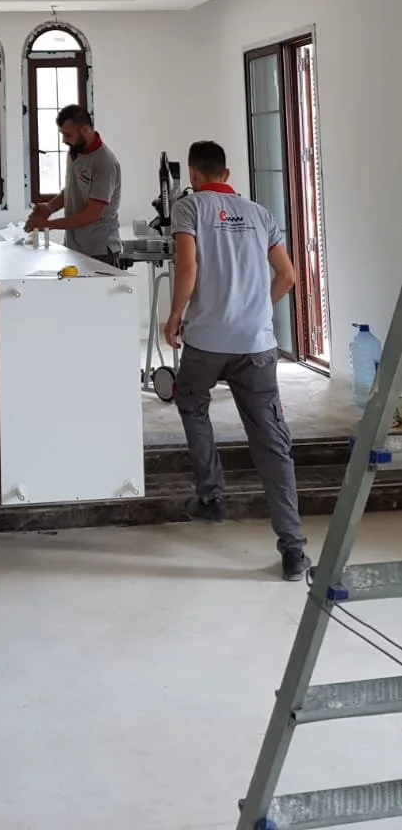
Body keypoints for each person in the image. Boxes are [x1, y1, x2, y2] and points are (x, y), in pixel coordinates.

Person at [164, 139, 310, 582]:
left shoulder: (188, 209)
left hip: (207, 342)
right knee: (272, 443)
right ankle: (292, 549)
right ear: (226, 175)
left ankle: (210, 497)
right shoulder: (260, 213)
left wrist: (174, 317)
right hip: (256, 344)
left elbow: (187, 269)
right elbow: (288, 276)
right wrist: (259, 310)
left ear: (193, 175)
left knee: (191, 402)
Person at [25, 105, 122, 266]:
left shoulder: (104, 163)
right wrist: (49, 207)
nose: (64, 140)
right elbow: (72, 188)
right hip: (74, 248)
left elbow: (92, 214)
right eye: (62, 134)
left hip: (99, 252)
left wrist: (48, 225)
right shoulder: (75, 152)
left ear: (85, 130)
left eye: (68, 135)